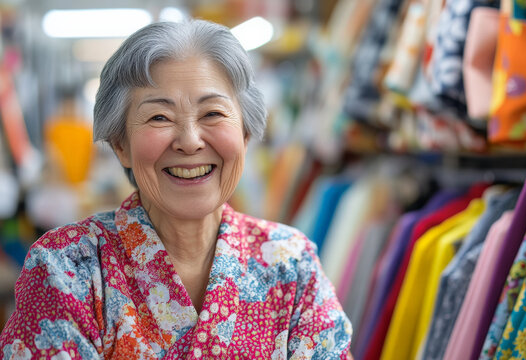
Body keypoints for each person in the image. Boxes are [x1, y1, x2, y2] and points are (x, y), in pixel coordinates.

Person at [0, 19, 352, 359]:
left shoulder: (290, 262)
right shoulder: (66, 269)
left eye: (212, 113)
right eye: (159, 117)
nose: (189, 141)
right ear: (120, 143)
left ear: (245, 134)